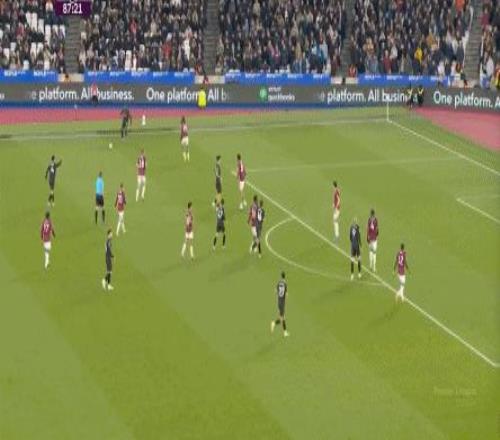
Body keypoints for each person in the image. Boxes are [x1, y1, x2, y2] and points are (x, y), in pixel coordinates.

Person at [270, 271, 290, 337]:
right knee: (282, 318)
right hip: (282, 303)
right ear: (285, 276)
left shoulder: (279, 282)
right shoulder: (285, 283)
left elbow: (275, 291)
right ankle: (274, 323)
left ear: (281, 276)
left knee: (282, 318)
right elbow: (286, 294)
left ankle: (285, 332)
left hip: (279, 302)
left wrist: (279, 294)